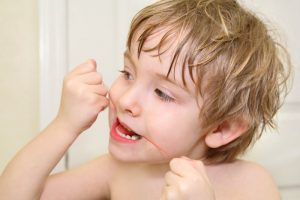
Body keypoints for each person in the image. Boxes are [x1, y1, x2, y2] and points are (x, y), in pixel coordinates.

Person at [0, 0, 291, 199]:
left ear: (221, 128)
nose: (126, 99)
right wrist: (63, 126)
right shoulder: (116, 170)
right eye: (127, 72)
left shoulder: (251, 184)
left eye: (163, 93)